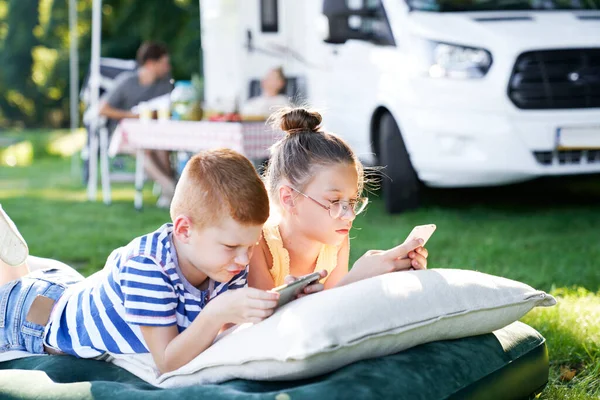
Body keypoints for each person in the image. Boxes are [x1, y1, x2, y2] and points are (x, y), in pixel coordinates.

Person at [0, 149, 280, 374]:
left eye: (251, 246)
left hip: (69, 289)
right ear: (183, 230)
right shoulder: (148, 267)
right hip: (31, 319)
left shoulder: (224, 265)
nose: (244, 259)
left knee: (28, 274)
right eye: (231, 246)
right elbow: (168, 361)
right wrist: (216, 313)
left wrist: (280, 301)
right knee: (12, 286)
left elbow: (229, 338)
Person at [248, 107, 430, 293]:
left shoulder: (335, 243)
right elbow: (265, 320)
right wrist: (356, 278)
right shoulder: (256, 245)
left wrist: (379, 278)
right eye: (335, 201)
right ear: (289, 199)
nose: (350, 215)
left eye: (352, 202)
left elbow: (334, 316)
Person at [99, 41, 175, 208]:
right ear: (150, 63)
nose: (167, 67)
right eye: (164, 63)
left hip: (151, 134)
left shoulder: (164, 83)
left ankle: (169, 194)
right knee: (144, 150)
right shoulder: (127, 82)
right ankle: (170, 187)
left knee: (162, 146)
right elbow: (102, 109)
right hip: (124, 136)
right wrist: (132, 116)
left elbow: (165, 109)